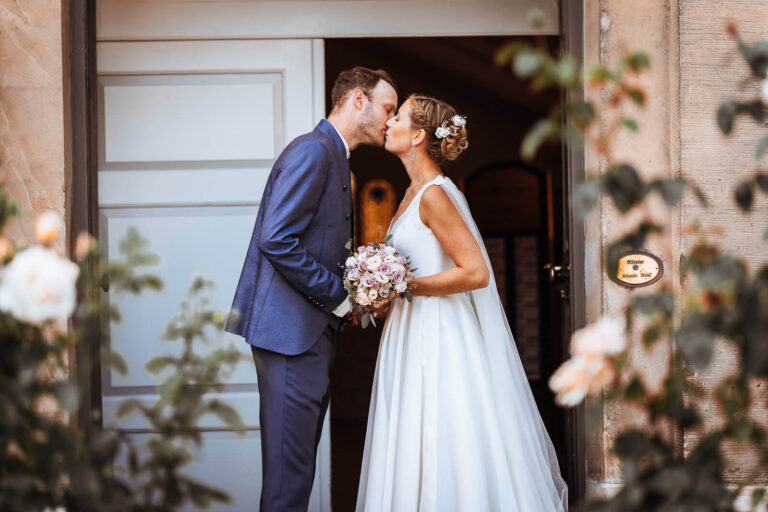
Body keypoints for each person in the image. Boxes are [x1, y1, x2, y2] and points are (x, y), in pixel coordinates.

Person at [356, 94, 568, 511]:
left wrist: (405, 286)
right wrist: (380, 291)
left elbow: (475, 272)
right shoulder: (410, 193)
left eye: (396, 116)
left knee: (441, 434)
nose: (388, 122)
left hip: (438, 335)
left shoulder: (436, 195)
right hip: (410, 332)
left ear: (417, 136)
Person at [225, 66, 397, 512]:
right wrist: (342, 298)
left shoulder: (336, 157)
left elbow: (315, 246)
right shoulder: (315, 152)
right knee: (287, 488)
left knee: (295, 482)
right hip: (290, 339)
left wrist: (353, 302)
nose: (391, 120)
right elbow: (276, 239)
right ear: (358, 100)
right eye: (388, 108)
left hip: (307, 337)